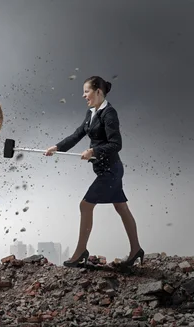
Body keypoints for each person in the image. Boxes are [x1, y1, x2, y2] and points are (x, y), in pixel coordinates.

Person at [44, 76, 144, 268]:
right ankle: (136, 250)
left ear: (98, 91)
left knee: (85, 205)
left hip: (111, 171)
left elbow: (116, 144)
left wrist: (93, 151)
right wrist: (56, 147)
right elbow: (77, 135)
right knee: (121, 208)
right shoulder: (91, 113)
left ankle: (80, 252)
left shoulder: (109, 113)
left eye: (86, 91)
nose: (83, 95)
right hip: (104, 170)